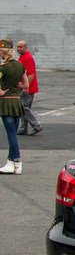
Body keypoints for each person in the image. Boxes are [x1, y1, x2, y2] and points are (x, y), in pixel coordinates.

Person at [0, 39, 29, 174]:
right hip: (17, 102)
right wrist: (16, 86)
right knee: (13, 134)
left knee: (11, 134)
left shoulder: (3, 67)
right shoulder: (19, 66)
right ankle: (11, 162)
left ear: (3, 52)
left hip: (6, 103)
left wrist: (3, 91)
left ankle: (17, 161)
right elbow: (26, 85)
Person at [14, 40, 42, 135]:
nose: (18, 49)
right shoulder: (22, 57)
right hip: (24, 87)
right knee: (24, 108)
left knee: (23, 107)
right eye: (17, 47)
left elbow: (31, 74)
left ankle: (36, 126)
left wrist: (25, 87)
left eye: (20, 47)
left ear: (26, 47)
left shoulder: (27, 58)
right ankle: (23, 128)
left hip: (27, 88)